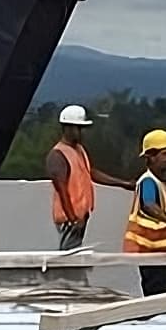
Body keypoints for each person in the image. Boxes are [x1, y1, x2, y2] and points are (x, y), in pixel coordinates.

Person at [47, 104, 133, 250]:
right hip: (70, 218)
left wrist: (123, 183)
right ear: (67, 128)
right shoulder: (58, 155)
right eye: (78, 129)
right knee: (69, 257)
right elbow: (61, 189)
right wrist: (72, 218)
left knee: (73, 253)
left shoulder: (79, 150)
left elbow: (90, 173)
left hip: (79, 216)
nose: (82, 133)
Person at [122, 129, 166, 296]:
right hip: (151, 251)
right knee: (157, 294)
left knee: (164, 293)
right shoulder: (148, 181)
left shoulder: (160, 182)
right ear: (151, 156)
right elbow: (148, 205)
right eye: (165, 154)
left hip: (161, 250)